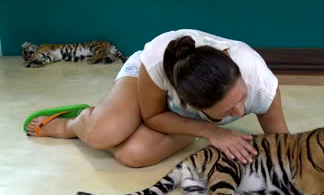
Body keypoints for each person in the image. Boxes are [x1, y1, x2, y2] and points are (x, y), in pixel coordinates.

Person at [25, 29, 289, 167]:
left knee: (132, 155)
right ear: (191, 106)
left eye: (241, 98)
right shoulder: (156, 60)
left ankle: (124, 120)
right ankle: (75, 122)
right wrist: (212, 131)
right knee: (103, 134)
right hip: (146, 80)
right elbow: (154, 115)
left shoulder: (259, 81)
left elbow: (287, 147)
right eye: (228, 111)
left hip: (183, 111)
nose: (242, 111)